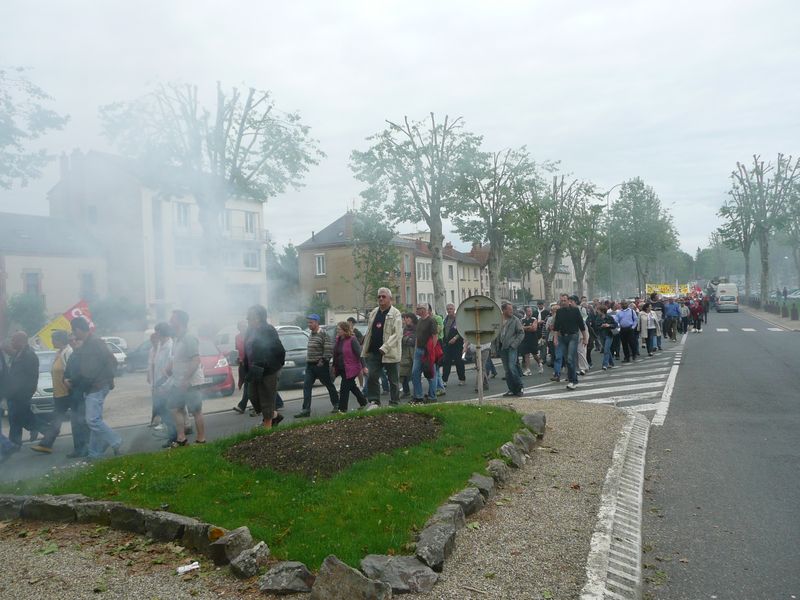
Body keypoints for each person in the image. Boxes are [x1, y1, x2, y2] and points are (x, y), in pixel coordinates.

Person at [68, 317, 122, 459]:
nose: (73, 334)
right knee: (94, 420)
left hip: (97, 386)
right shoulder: (87, 344)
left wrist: (108, 380)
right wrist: (74, 381)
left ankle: (115, 441)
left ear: (78, 329)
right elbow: (87, 369)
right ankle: (94, 453)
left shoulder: (95, 342)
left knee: (92, 420)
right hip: (91, 386)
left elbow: (112, 361)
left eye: (73, 331)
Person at [30, 330, 86, 455]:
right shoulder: (59, 352)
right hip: (59, 394)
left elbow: (70, 372)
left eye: (53, 339)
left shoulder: (68, 352)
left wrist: (69, 386)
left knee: (75, 421)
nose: (51, 341)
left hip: (68, 393)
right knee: (57, 419)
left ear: (59, 340)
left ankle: (80, 447)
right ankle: (46, 444)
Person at [164, 310, 206, 446]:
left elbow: (195, 360)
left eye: (173, 319)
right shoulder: (177, 338)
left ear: (180, 321)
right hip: (179, 381)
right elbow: (177, 358)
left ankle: (201, 439)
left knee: (196, 411)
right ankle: (181, 439)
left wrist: (185, 378)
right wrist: (170, 368)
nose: (170, 322)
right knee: (175, 408)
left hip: (191, 382)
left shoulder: (189, 337)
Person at [242, 304, 285, 427]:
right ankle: (274, 416)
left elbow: (279, 350)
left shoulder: (268, 330)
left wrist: (275, 367)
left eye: (249, 316)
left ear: (258, 318)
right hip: (253, 370)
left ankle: (267, 429)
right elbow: (247, 351)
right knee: (252, 396)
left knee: (266, 399)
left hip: (268, 370)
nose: (247, 319)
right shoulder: (250, 331)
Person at [360, 288, 403, 407]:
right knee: (372, 376)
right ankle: (374, 401)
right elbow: (370, 331)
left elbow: (397, 334)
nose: (380, 299)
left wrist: (385, 347)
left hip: (390, 352)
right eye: (379, 296)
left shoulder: (396, 313)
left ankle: (394, 402)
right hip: (374, 351)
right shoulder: (374, 312)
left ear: (390, 299)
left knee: (393, 380)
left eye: (383, 296)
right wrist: (365, 345)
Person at [295, 314, 339, 417]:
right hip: (310, 365)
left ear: (317, 322)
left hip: (320, 365)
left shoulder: (323, 334)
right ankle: (306, 410)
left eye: (311, 322)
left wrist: (322, 361)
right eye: (308, 322)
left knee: (329, 385)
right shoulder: (311, 334)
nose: (309, 324)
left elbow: (328, 350)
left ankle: (337, 404)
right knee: (306, 386)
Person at [5, 331, 40, 446]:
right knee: (16, 418)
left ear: (21, 341)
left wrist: (28, 392)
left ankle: (46, 430)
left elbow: (33, 376)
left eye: (13, 340)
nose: (11, 342)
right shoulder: (18, 354)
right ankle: (15, 443)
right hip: (13, 393)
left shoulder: (29, 355)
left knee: (19, 417)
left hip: (22, 394)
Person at [553, 295, 588, 390]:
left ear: (569, 301)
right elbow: (556, 327)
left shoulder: (575, 310)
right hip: (562, 337)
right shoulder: (559, 312)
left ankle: (573, 381)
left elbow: (581, 325)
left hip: (573, 336)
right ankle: (572, 379)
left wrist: (585, 338)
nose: (563, 302)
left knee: (569, 358)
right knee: (567, 360)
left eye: (564, 300)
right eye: (561, 301)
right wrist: (555, 338)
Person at [332, 321, 368, 412]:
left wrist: (364, 367)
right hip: (341, 368)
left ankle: (342, 409)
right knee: (352, 386)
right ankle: (363, 402)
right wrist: (333, 365)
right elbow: (335, 354)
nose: (338, 331)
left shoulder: (352, 339)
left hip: (351, 368)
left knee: (344, 388)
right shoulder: (338, 339)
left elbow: (360, 354)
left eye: (339, 329)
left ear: (345, 330)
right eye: (337, 329)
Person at [149, 323, 175, 438]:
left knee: (168, 411)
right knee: (162, 411)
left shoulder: (170, 346)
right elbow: (156, 366)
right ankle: (171, 434)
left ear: (161, 332)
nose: (155, 333)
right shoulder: (160, 345)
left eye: (157, 331)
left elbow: (170, 369)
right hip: (158, 385)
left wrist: (164, 386)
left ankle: (174, 436)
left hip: (166, 386)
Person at [411, 303, 439, 403]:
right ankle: (418, 396)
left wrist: (431, 350)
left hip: (427, 351)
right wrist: (416, 348)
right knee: (415, 373)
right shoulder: (419, 321)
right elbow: (418, 336)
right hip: (418, 351)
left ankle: (432, 396)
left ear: (424, 310)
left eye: (419, 308)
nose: (417, 310)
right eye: (417, 308)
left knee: (430, 374)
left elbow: (435, 336)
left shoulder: (431, 320)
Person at [498, 301, 524, 397]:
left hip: (511, 347)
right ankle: (511, 389)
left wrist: (514, 344)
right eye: (509, 310)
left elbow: (521, 333)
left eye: (512, 310)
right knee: (507, 370)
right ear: (503, 310)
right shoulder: (498, 320)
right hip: (502, 347)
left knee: (512, 366)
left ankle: (520, 387)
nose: (511, 311)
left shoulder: (515, 320)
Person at [441, 303, 466, 386]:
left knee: (458, 362)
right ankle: (444, 380)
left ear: (454, 309)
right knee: (446, 362)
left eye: (451, 309)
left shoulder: (458, 319)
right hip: (447, 344)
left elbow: (462, 330)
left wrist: (455, 338)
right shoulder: (446, 319)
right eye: (448, 309)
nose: (449, 310)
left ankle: (462, 379)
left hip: (457, 344)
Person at [232, 320, 252, 415]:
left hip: (251, 363)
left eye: (244, 326)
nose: (242, 328)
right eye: (240, 326)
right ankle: (278, 402)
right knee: (249, 384)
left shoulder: (251, 335)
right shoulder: (237, 337)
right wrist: (238, 359)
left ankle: (242, 406)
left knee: (249, 384)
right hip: (243, 364)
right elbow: (238, 350)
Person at [519, 306, 542, 376]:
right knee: (526, 354)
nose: (530, 312)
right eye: (528, 311)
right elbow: (520, 328)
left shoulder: (534, 319)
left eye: (531, 311)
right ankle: (528, 370)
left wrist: (525, 328)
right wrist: (528, 327)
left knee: (535, 354)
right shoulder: (522, 319)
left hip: (533, 339)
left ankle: (540, 363)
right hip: (525, 339)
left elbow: (534, 329)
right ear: (525, 312)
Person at [399, 312, 417, 398]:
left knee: (415, 373)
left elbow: (413, 341)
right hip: (405, 353)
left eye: (407, 318)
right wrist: (407, 339)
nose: (406, 320)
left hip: (414, 352)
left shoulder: (417, 328)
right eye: (405, 318)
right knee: (403, 373)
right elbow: (402, 339)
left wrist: (406, 339)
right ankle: (406, 391)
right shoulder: (405, 329)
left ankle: (417, 392)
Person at [593, 305, 617, 370]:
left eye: (598, 310)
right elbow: (596, 327)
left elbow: (615, 325)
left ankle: (605, 365)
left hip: (609, 335)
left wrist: (609, 325)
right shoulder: (598, 318)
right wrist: (601, 326)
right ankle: (611, 363)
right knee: (607, 350)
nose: (597, 311)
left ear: (602, 311)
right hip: (601, 336)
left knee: (606, 349)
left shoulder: (609, 317)